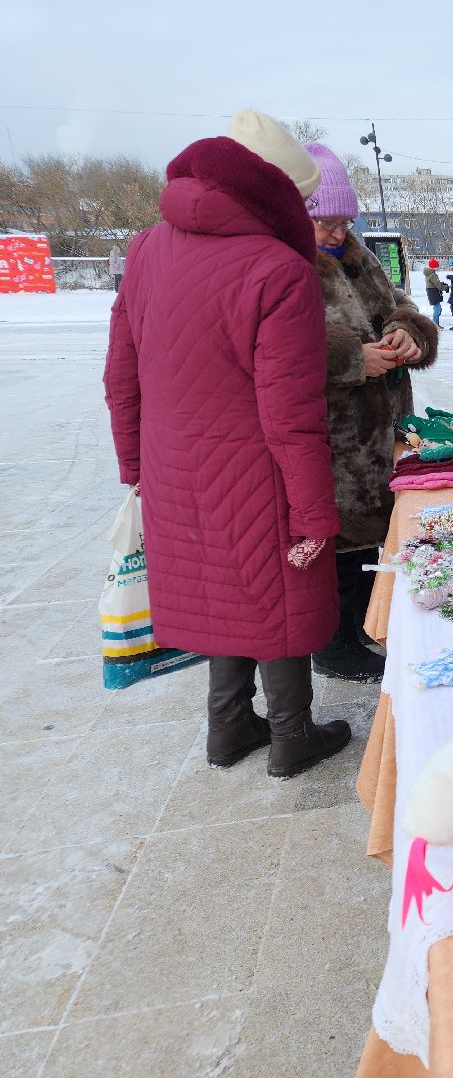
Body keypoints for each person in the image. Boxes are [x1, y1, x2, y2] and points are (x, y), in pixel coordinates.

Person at [102, 109, 351, 778]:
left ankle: (230, 725)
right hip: (255, 467)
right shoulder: (278, 269)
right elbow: (290, 410)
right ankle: (292, 734)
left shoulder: (146, 247)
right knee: (274, 595)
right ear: (271, 188)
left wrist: (135, 466)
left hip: (171, 466)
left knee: (223, 592)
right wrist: (312, 513)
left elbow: (120, 374)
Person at [303, 143, 440, 682]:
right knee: (339, 540)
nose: (338, 233)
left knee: (376, 536)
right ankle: (335, 645)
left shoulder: (359, 259)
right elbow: (281, 346)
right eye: (326, 223)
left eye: (344, 222)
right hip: (334, 434)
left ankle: (367, 626)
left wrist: (408, 334)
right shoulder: (288, 266)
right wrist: (350, 359)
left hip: (384, 428)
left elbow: (401, 305)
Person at [423, 258, 449, 327]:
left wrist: (442, 284)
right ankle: (435, 324)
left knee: (437, 308)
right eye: (437, 265)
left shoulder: (429, 273)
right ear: (434, 266)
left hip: (431, 292)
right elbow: (438, 286)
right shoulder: (433, 275)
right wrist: (446, 287)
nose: (438, 267)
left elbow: (436, 283)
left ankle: (435, 323)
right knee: (438, 309)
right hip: (434, 293)